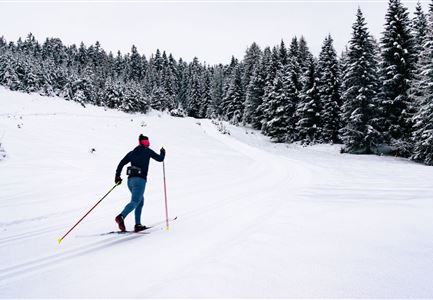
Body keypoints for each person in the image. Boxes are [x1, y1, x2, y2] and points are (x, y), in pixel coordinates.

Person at [114, 134, 165, 232]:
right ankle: (121, 216)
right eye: (147, 142)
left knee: (140, 201)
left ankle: (138, 224)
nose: (148, 144)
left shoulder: (132, 153)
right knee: (135, 201)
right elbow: (160, 159)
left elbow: (121, 163)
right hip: (140, 180)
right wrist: (162, 153)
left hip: (130, 181)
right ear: (144, 142)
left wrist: (117, 176)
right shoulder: (147, 151)